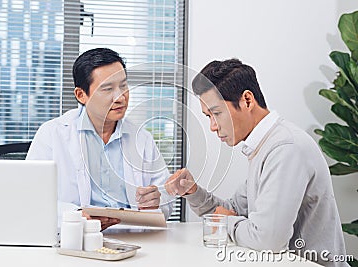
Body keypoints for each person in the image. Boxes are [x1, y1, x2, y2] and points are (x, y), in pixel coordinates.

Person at [165, 59, 347, 267]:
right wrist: (193, 191)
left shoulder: (285, 147)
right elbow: (232, 209)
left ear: (247, 101)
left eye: (216, 114)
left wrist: (226, 222)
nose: (213, 127)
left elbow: (268, 240)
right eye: (208, 117)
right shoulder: (264, 146)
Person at [27, 48, 173, 230]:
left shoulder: (141, 138)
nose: (120, 97)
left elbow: (166, 201)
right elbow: (31, 198)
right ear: (81, 95)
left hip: (133, 239)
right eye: (107, 89)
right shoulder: (52, 134)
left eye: (123, 86)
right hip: (77, 235)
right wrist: (75, 216)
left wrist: (157, 201)